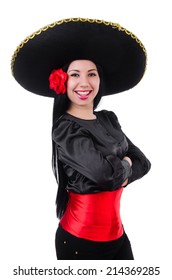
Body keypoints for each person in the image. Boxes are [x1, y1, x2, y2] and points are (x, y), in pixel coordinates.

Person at [11, 18, 151, 260]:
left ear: (99, 80)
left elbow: (144, 163)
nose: (84, 82)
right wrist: (125, 164)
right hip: (79, 241)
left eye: (91, 74)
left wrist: (118, 170)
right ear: (63, 81)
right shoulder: (65, 129)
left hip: (119, 239)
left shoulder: (109, 119)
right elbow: (106, 177)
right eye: (75, 74)